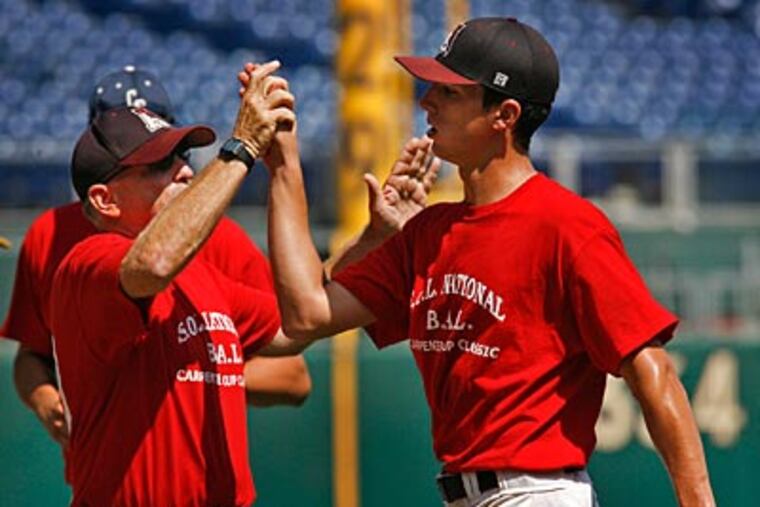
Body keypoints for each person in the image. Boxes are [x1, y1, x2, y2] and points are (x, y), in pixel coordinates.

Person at [258, 17, 715, 507]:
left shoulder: (567, 225)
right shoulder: (427, 233)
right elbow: (304, 315)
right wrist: (286, 163)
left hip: (537, 493)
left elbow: (654, 372)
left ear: (506, 114)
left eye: (450, 92)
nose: (427, 101)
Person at [0, 65, 312, 451]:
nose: (180, 171)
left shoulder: (217, 239)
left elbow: (296, 352)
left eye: (174, 151)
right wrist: (46, 399)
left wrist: (180, 370)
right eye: (153, 160)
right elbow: (34, 355)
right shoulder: (57, 239)